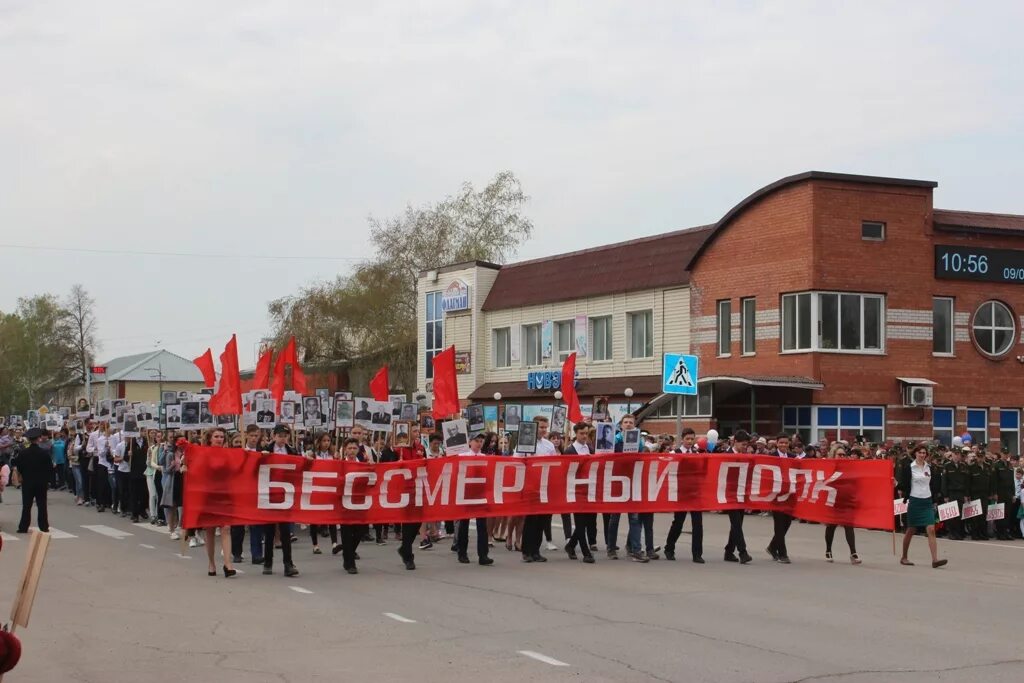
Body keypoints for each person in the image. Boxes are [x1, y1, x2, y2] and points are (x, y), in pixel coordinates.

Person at [898, 444, 948, 568]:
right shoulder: (909, 467)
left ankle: (935, 559)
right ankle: (904, 556)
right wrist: (895, 484)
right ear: (915, 453)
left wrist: (935, 499)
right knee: (911, 530)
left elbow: (933, 485)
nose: (922, 455)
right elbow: (903, 485)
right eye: (920, 452)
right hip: (915, 501)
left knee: (931, 529)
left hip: (927, 501)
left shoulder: (929, 467)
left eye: (924, 453)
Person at [261, 425, 300, 577]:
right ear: (274, 436)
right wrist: (261, 457)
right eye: (280, 435)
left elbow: (299, 466)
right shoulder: (265, 450)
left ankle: (288, 563)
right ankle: (268, 562)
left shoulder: (292, 451)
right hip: (269, 492)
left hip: (285, 493)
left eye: (285, 435)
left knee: (285, 531)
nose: (282, 438)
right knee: (269, 530)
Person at [452, 433, 494, 566]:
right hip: (466, 493)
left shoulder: (484, 457)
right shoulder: (462, 456)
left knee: (482, 526)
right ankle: (462, 553)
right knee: (464, 524)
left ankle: (483, 555)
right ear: (470, 442)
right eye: (477, 441)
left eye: (481, 441)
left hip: (480, 494)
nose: (479, 443)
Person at [201, 428, 237, 578]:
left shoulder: (229, 454)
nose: (219, 439)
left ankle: (228, 564)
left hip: (225, 493)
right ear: (210, 438)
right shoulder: (202, 453)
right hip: (208, 494)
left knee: (226, 527)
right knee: (209, 530)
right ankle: (211, 563)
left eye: (222, 436)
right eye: (216, 436)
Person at [664, 428, 704, 563]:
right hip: (681, 492)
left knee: (698, 523)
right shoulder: (674, 453)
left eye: (692, 439)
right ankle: (669, 548)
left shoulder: (697, 453)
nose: (690, 441)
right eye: (687, 439)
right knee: (678, 522)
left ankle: (697, 554)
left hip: (694, 492)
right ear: (682, 439)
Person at [520, 416, 557, 564]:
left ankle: (536, 550)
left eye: (545, 427)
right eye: (541, 427)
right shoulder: (523, 443)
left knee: (542, 521)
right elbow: (516, 461)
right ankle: (526, 551)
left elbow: (555, 464)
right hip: (530, 486)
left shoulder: (549, 445)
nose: (543, 430)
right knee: (531, 520)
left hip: (544, 487)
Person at [563, 422, 596, 564]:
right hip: (575, 490)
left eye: (586, 433)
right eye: (581, 433)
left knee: (588, 521)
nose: (584, 436)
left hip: (589, 489)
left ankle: (570, 546)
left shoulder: (590, 448)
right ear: (576, 433)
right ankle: (586, 552)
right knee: (580, 523)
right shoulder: (570, 451)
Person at [824, 444, 861, 564]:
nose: (843, 456)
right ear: (834, 455)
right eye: (840, 454)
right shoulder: (829, 467)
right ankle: (828, 550)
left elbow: (857, 481)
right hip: (833, 500)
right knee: (831, 526)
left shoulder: (850, 468)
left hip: (846, 500)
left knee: (849, 525)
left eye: (844, 455)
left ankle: (853, 553)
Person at [14, 428, 54, 533]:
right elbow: (49, 468)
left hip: (27, 482)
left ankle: (23, 526)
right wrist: (47, 480)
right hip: (41, 482)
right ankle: (44, 526)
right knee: (42, 505)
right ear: (38, 439)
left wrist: (22, 475)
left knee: (26, 505)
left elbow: (19, 466)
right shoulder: (44, 453)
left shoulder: (23, 453)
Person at [308, 433, 340, 555]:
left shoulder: (333, 455)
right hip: (316, 488)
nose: (326, 443)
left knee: (331, 517)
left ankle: (334, 544)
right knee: (314, 518)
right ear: (319, 442)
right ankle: (315, 545)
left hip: (329, 488)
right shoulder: (314, 455)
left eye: (328, 440)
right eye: (324, 440)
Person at [724, 430, 753, 564]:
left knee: (737, 524)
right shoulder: (726, 455)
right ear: (735, 442)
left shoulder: (746, 456)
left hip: (741, 493)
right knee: (736, 523)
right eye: (743, 444)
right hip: (729, 494)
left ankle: (729, 551)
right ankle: (743, 552)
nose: (744, 447)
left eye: (746, 445)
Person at [338, 437, 366, 574]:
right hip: (345, 503)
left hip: (360, 502)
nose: (352, 451)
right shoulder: (341, 465)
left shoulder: (364, 464)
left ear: (358, 450)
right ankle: (350, 563)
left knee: (360, 531)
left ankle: (348, 552)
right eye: (349, 448)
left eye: (354, 448)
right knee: (347, 532)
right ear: (345, 450)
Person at [766, 433, 794, 564]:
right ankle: (783, 554)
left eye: (786, 443)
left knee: (787, 523)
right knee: (779, 524)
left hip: (789, 496)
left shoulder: (793, 458)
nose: (783, 445)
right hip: (776, 496)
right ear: (777, 443)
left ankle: (772, 547)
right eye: (781, 442)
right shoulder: (771, 457)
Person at [941, 448, 969, 540]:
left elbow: (966, 481)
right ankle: (952, 533)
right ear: (952, 455)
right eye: (955, 454)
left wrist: (966, 494)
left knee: (960, 514)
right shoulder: (947, 466)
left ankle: (958, 532)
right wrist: (945, 495)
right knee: (952, 514)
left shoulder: (963, 466)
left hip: (961, 492)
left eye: (958, 454)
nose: (957, 456)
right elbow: (944, 482)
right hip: (951, 492)